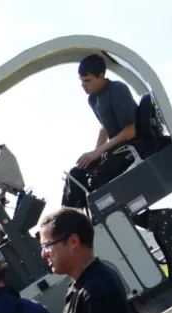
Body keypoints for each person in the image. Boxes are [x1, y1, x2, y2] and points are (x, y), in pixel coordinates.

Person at [62, 54, 141, 209]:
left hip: (132, 149)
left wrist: (98, 152)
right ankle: (64, 222)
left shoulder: (117, 89)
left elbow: (130, 131)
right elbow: (104, 127)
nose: (83, 85)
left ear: (101, 76)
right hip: (116, 151)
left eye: (88, 80)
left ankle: (82, 225)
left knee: (95, 181)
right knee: (76, 174)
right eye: (81, 81)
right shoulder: (93, 99)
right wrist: (95, 154)